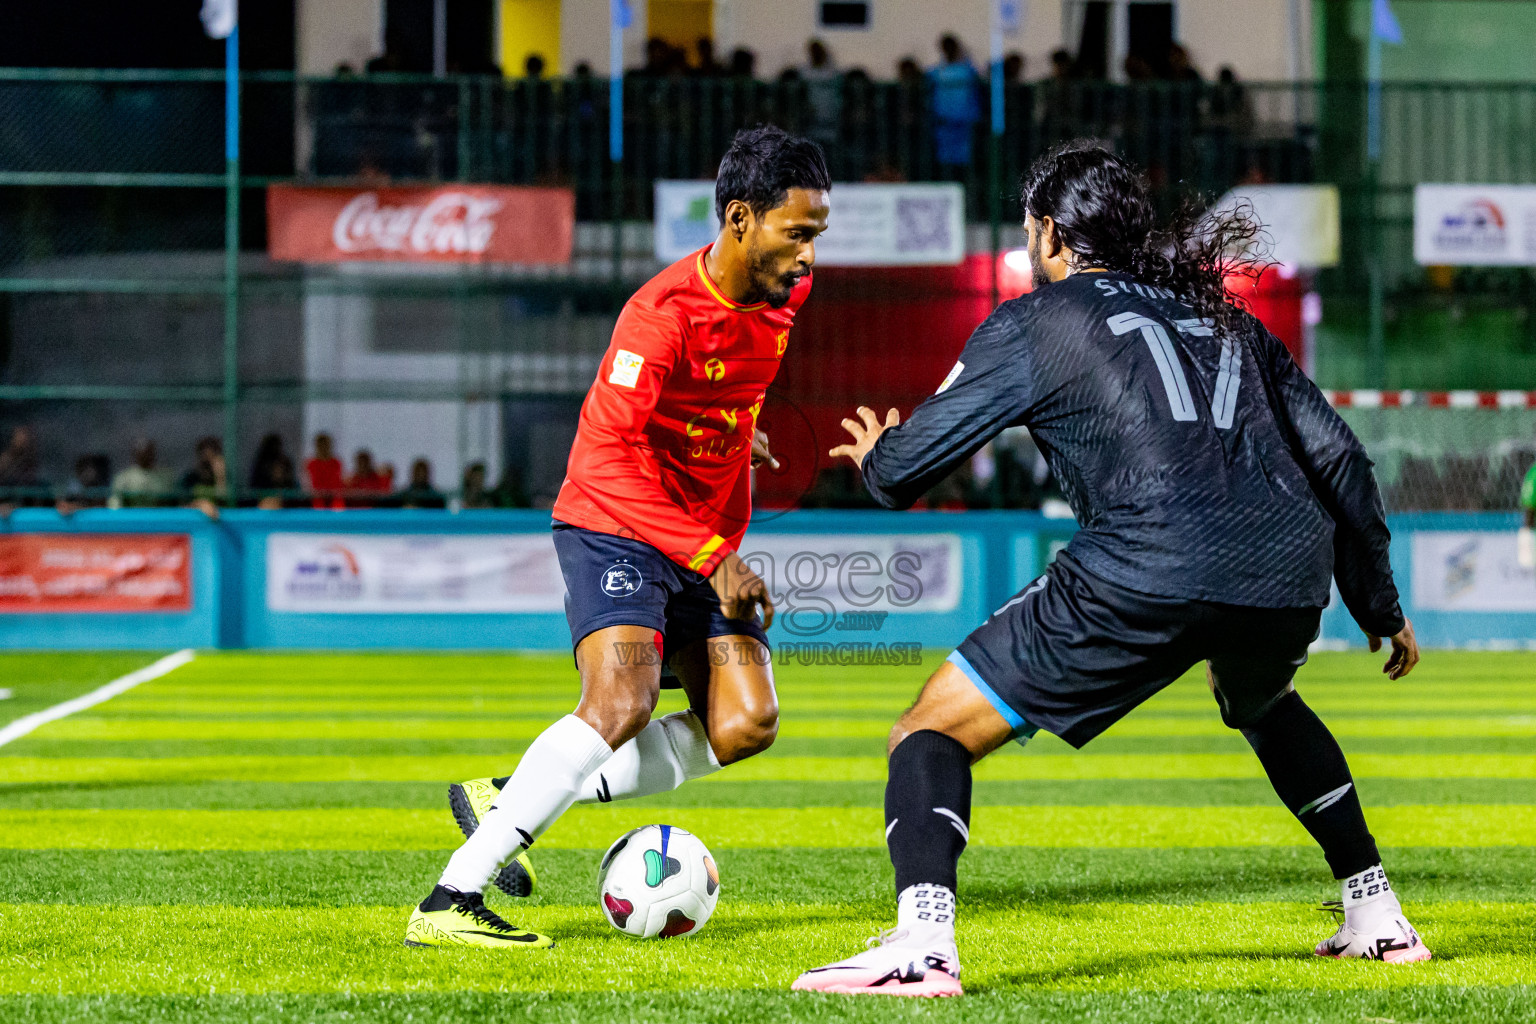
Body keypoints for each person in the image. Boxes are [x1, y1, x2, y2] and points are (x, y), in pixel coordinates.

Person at [793, 142, 1427, 997]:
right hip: (1285, 574)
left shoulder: (1035, 321)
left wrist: (876, 454)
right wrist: (1378, 605)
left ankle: (922, 946)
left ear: (1052, 236)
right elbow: (1344, 462)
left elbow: (904, 474)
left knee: (927, 731)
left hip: (1146, 564)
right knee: (1262, 700)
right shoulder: (1232, 319)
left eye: (1028, 237)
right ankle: (1377, 912)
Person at [404, 126, 831, 949]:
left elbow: (727, 386)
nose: (810, 256)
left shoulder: (787, 296)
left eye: (817, 235)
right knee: (623, 701)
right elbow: (605, 457)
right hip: (617, 525)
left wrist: (742, 428)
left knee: (745, 725)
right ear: (739, 219)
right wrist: (713, 556)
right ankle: (451, 898)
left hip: (702, 534)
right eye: (798, 233)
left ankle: (511, 791)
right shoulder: (659, 315)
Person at [928, 35, 980, 175]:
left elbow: (974, 95)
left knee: (963, 161)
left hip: (963, 123)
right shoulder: (938, 72)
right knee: (945, 160)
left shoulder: (966, 71)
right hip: (943, 123)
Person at [111, 439, 175, 507]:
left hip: (159, 515)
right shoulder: (124, 478)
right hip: (133, 515)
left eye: (148, 452)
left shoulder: (165, 477)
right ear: (135, 454)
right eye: (141, 452)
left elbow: (173, 501)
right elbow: (115, 504)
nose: (145, 455)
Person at [305, 433, 345, 509]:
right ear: (317, 446)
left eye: (326, 445)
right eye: (321, 445)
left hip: (334, 498)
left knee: (338, 507)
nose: (323, 447)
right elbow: (307, 483)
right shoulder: (311, 463)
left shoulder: (336, 463)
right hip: (317, 498)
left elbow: (340, 481)